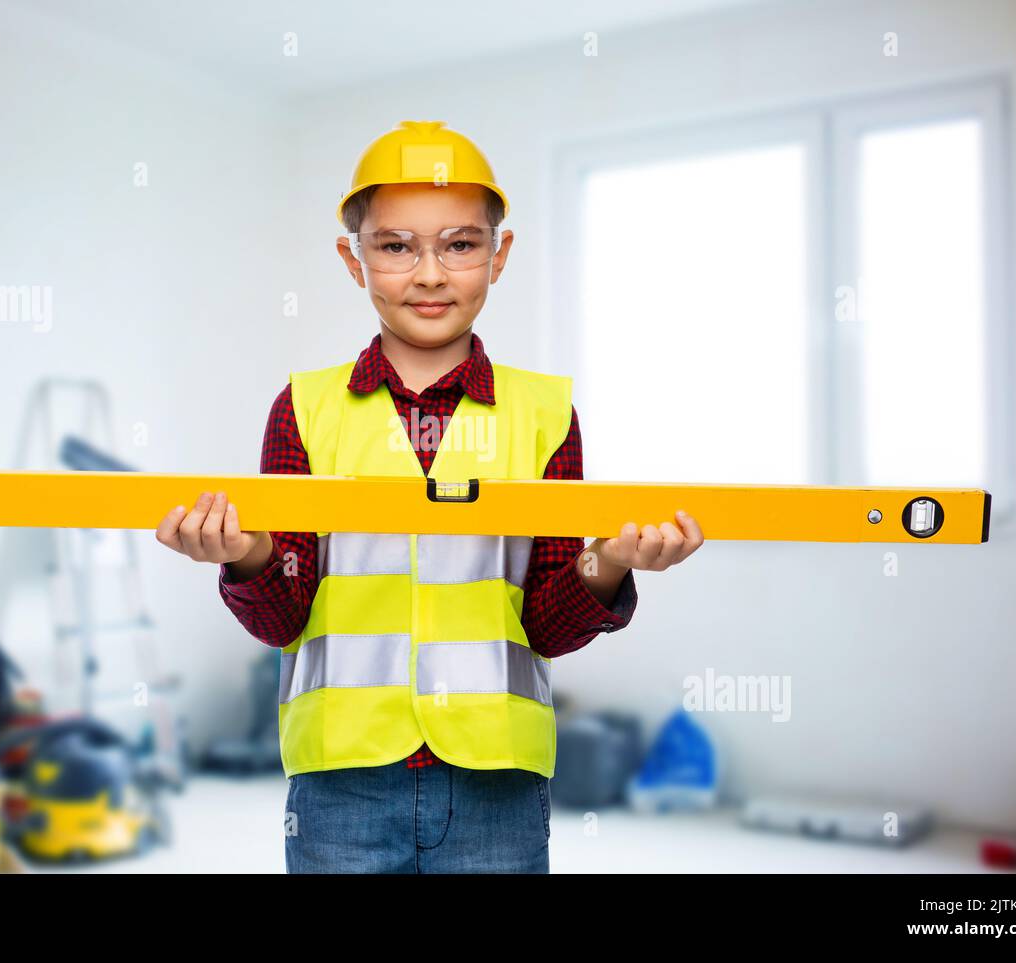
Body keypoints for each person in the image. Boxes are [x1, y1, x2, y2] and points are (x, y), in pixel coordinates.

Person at [155, 120, 705, 873]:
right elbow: (283, 612)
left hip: (497, 782)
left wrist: (605, 563)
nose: (430, 274)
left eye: (459, 243)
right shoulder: (304, 409)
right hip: (339, 782)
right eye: (395, 246)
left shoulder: (544, 415)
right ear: (355, 261)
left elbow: (546, 623)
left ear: (498, 255)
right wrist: (247, 556)